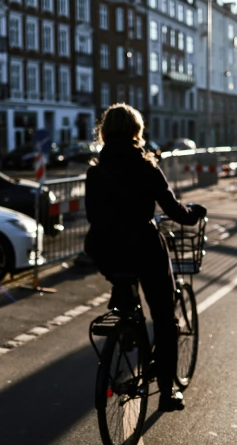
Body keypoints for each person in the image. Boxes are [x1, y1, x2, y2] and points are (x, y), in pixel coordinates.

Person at [84, 104, 206, 412]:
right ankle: (167, 393)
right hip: (143, 248)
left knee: (122, 276)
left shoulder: (95, 172)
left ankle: (125, 305)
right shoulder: (146, 168)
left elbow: (93, 216)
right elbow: (174, 211)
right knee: (164, 319)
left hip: (105, 250)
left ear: (105, 133)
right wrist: (195, 214)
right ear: (136, 133)